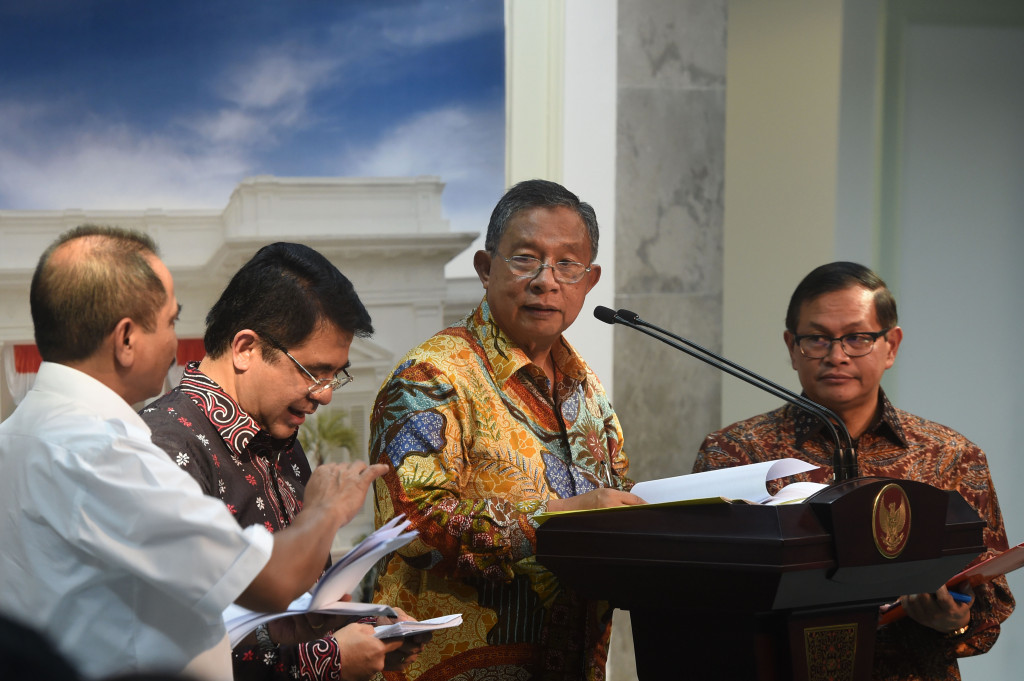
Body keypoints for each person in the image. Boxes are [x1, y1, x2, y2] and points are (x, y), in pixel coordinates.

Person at [0, 226, 384, 681]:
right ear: (126, 340)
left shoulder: (19, 436)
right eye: (170, 321)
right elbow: (270, 582)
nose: (176, 341)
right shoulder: (113, 453)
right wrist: (326, 509)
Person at [369, 179, 644, 681]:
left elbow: (615, 504)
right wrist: (553, 519)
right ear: (485, 268)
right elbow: (412, 531)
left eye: (567, 264)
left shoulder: (590, 393)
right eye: (525, 259)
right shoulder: (431, 377)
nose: (546, 280)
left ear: (590, 279)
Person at [693, 261, 1015, 680]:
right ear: (792, 346)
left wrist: (952, 620)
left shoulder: (951, 455)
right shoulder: (735, 453)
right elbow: (699, 593)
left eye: (857, 338)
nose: (837, 355)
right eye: (817, 339)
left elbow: (992, 603)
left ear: (891, 345)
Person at [140, 242, 427, 681]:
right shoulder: (161, 446)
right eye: (315, 371)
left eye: (337, 374)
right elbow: (171, 636)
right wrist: (328, 660)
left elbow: (302, 606)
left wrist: (358, 627)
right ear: (246, 349)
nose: (326, 394)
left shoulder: (282, 439)